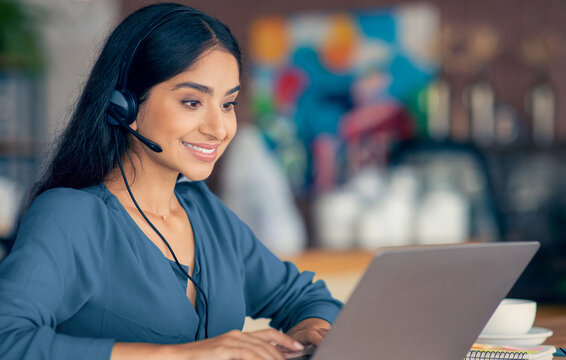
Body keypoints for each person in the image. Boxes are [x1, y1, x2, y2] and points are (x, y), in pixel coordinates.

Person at [0, 3, 342, 360]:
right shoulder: (72, 216)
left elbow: (310, 299)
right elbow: (7, 340)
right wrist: (179, 355)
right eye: (192, 102)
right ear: (124, 106)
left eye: (228, 104)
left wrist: (308, 334)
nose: (219, 128)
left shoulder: (203, 210)